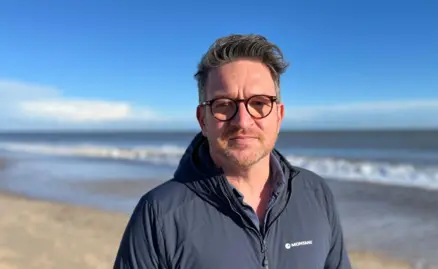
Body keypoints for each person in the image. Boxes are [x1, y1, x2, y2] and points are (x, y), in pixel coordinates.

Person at [113, 34, 352, 269]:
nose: (243, 121)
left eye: (259, 103)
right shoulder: (159, 213)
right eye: (224, 105)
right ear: (203, 120)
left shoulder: (315, 193)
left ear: (279, 116)